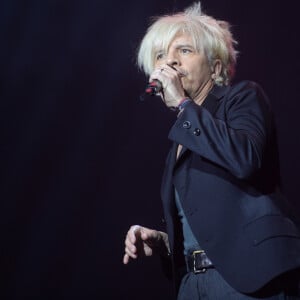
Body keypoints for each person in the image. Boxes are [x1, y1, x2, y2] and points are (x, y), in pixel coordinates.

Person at [123, 2, 300, 299]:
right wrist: (165, 242)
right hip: (193, 285)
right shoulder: (179, 142)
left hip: (252, 281)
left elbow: (246, 158)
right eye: (160, 55)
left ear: (216, 67)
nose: (170, 62)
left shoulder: (242, 98)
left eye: (184, 50)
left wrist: (182, 105)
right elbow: (206, 228)